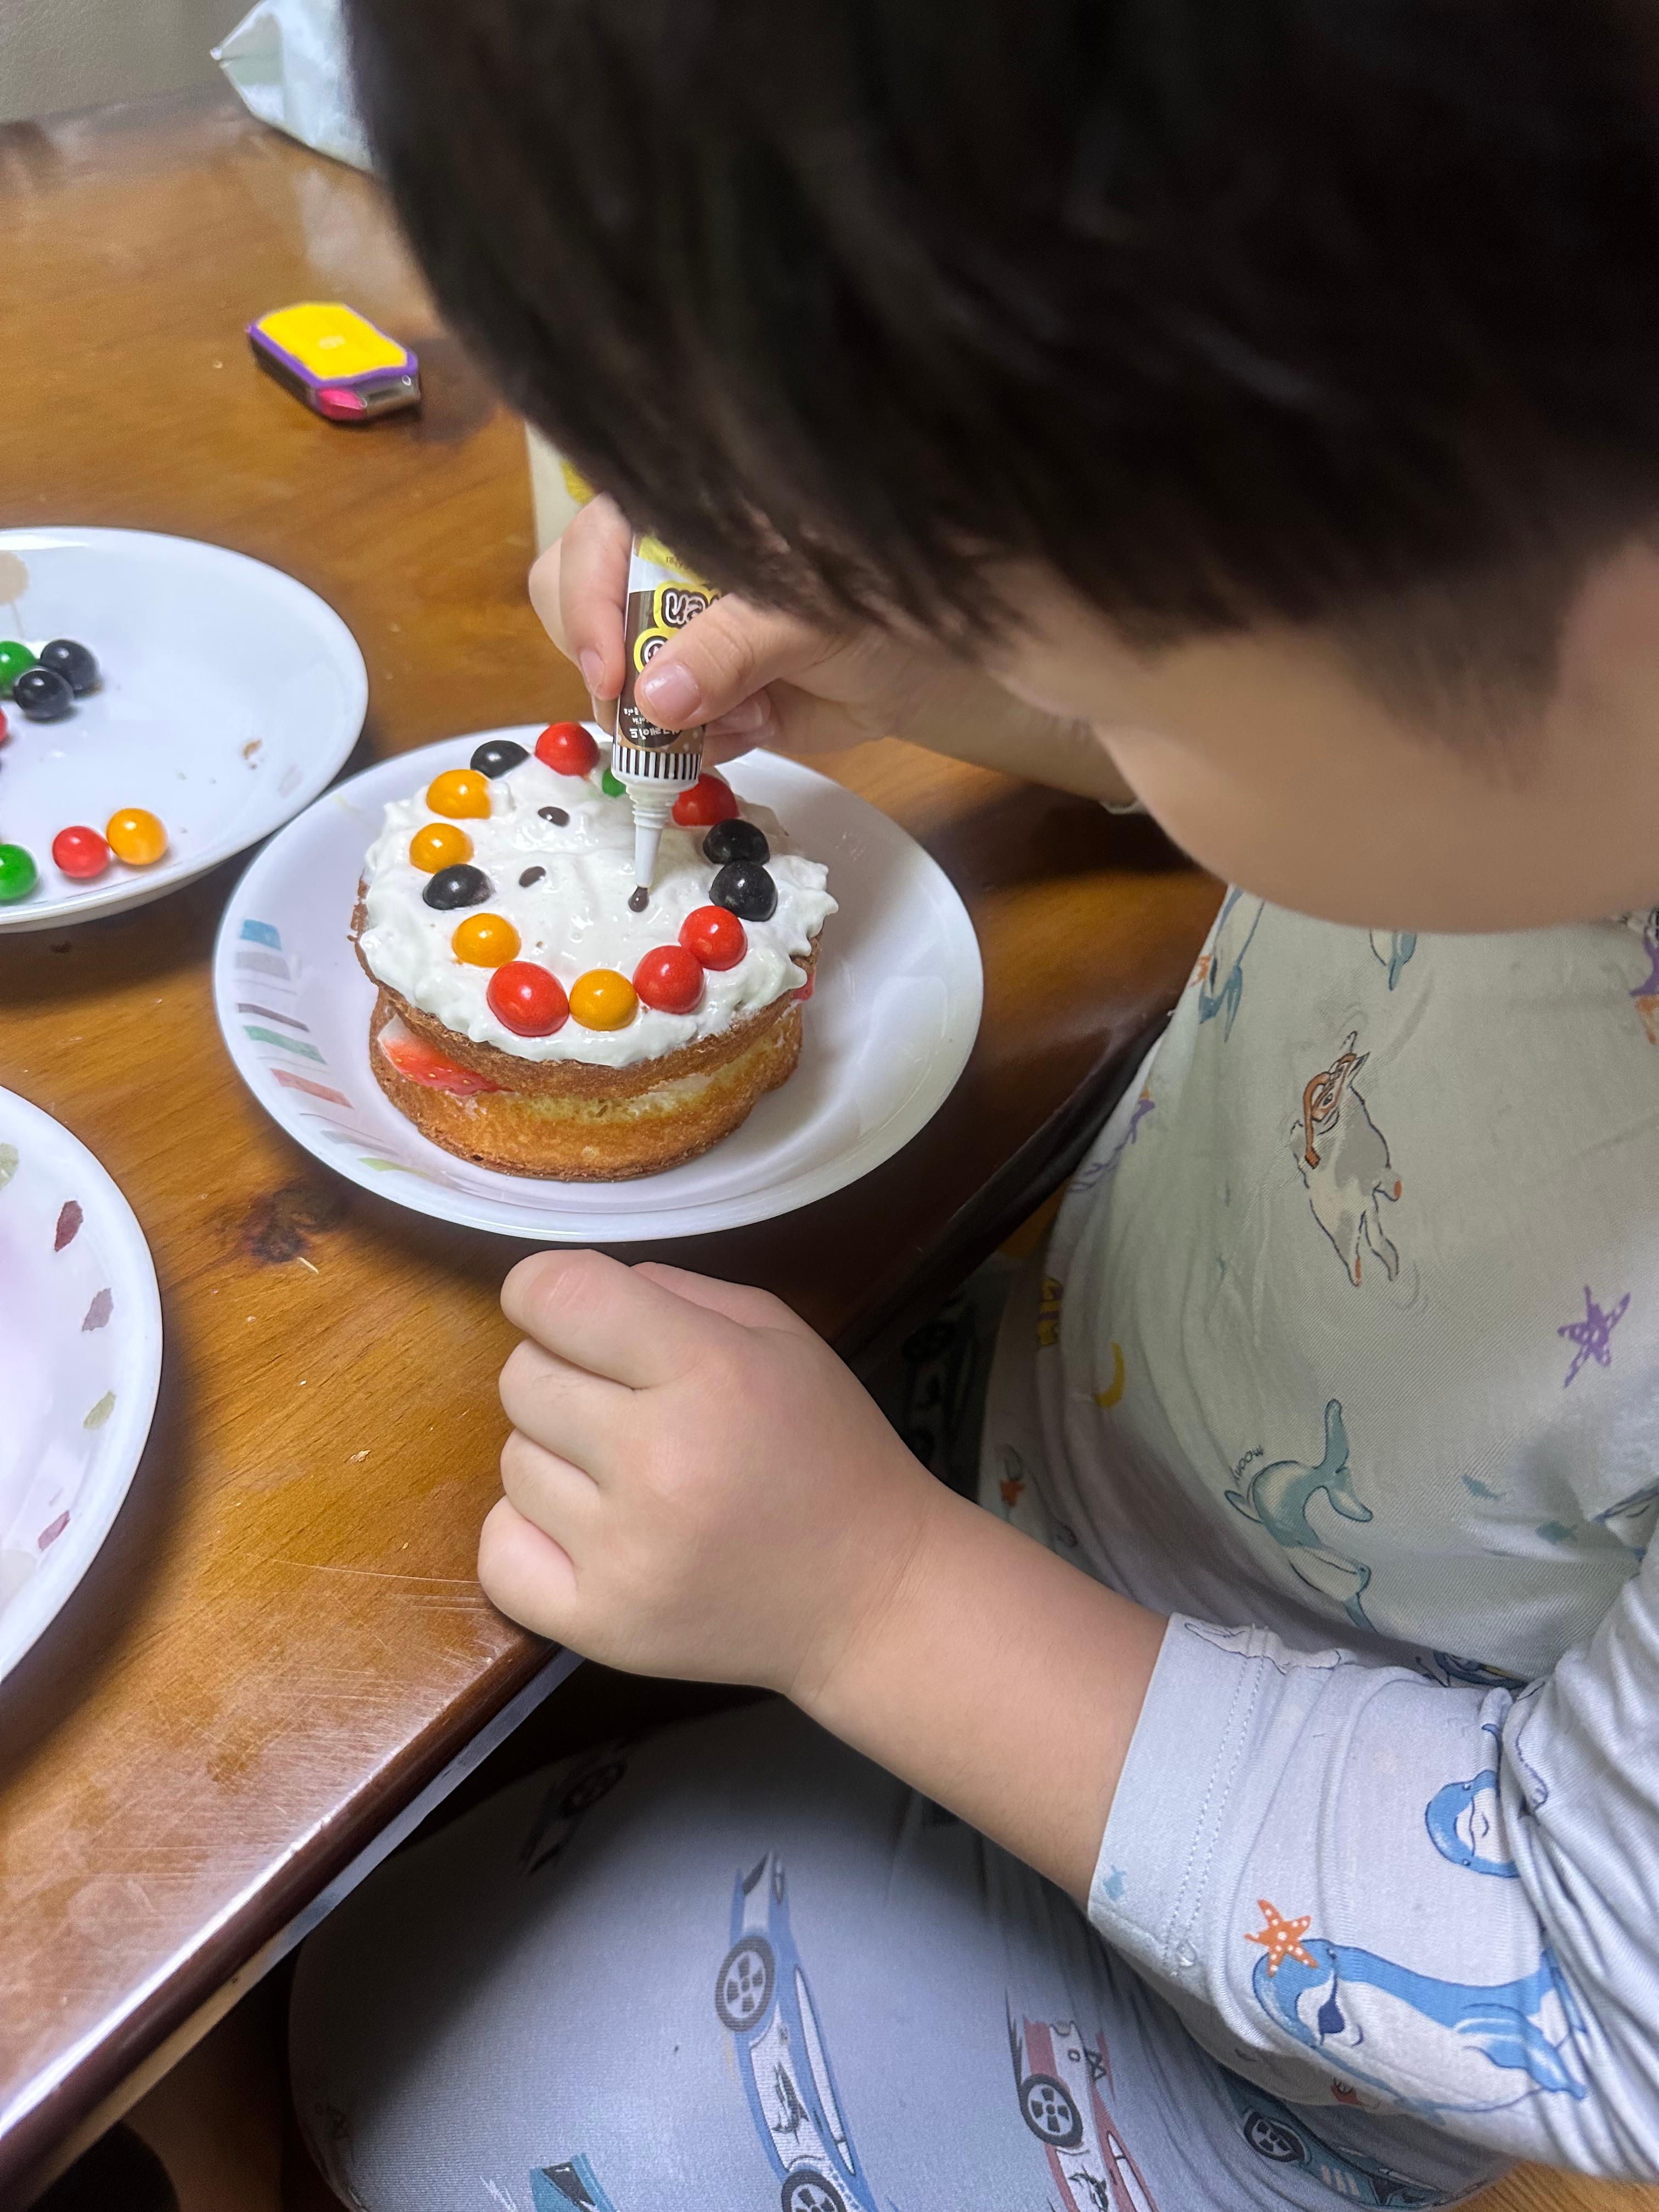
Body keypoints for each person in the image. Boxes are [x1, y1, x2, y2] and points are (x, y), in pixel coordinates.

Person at [289, 1, 1659, 2203]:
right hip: (1041, 1429)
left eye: (1097, 651)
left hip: (1300, 1987)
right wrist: (935, 660)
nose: (1053, 685)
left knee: (461, 2083)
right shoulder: (1515, 611)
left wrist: (879, 1607)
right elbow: (1327, 756)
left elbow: (1591, 1986)